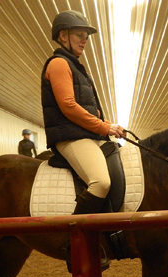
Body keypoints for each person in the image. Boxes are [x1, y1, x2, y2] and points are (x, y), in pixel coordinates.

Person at [41, 10, 126, 216]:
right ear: (63, 36)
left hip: (84, 134)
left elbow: (88, 110)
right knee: (101, 182)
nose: (84, 40)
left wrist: (109, 125)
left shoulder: (76, 66)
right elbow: (69, 106)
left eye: (86, 37)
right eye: (79, 35)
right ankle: (77, 234)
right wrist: (104, 127)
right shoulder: (59, 63)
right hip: (70, 137)